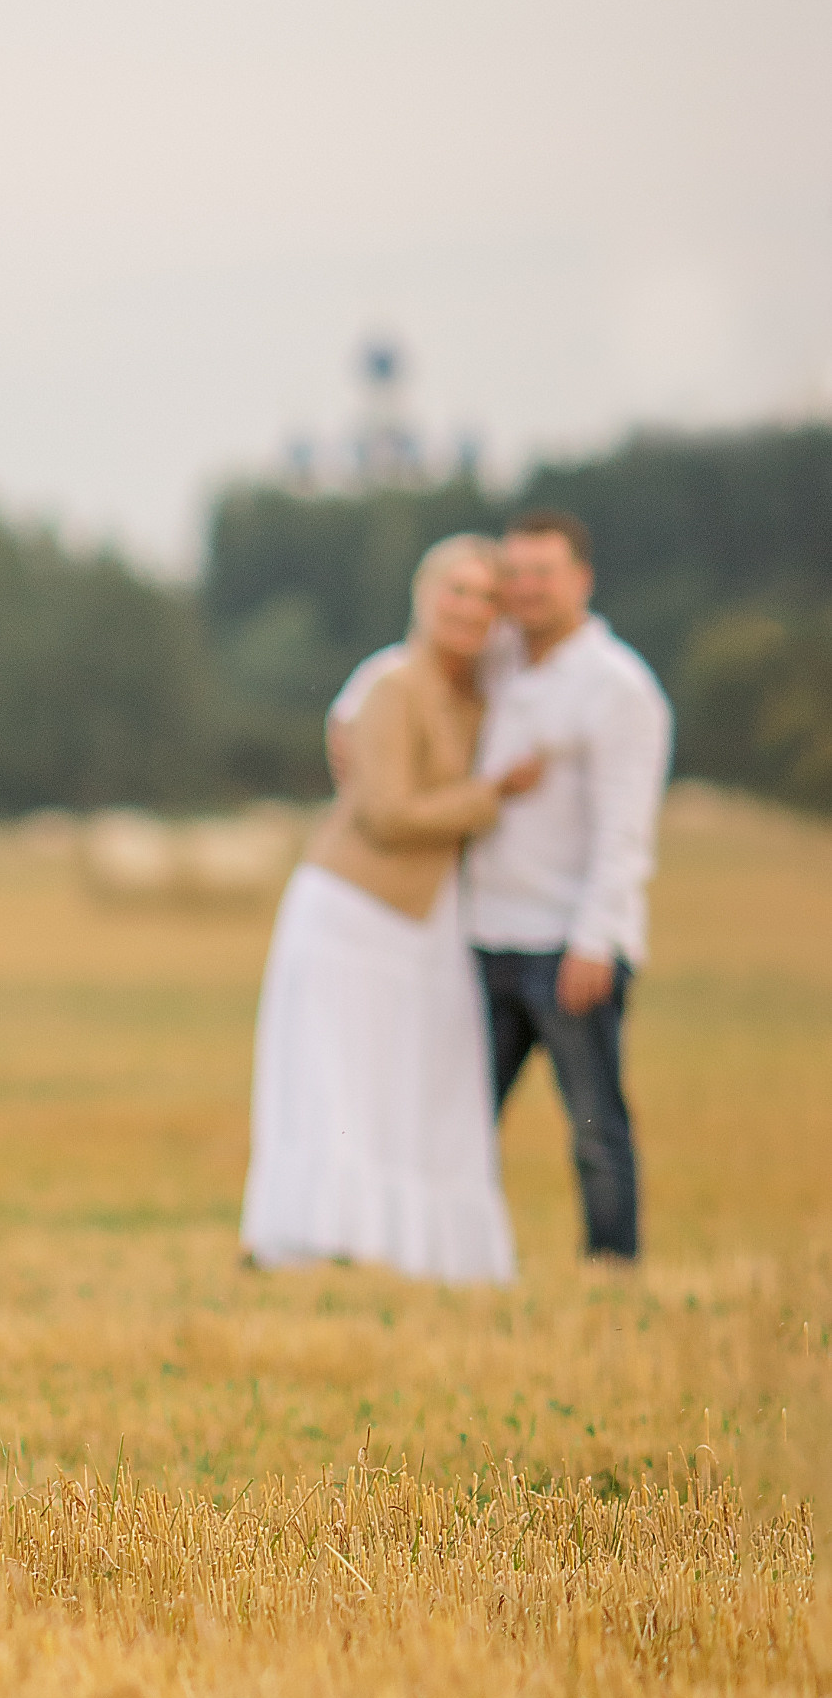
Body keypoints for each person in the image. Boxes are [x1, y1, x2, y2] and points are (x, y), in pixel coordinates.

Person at [242, 536, 540, 1281]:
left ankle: (413, 1247)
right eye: (457, 591)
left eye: (486, 597)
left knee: (416, 1077)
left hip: (425, 916)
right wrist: (492, 797)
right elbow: (384, 813)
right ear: (425, 596)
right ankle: (313, 1237)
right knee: (335, 1077)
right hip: (351, 908)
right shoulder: (394, 683)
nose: (470, 608)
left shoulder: (478, 696)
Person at [463, 512, 672, 1262]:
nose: (526, 590)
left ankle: (611, 1264)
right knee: (460, 1119)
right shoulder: (496, 663)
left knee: (591, 1123)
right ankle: (455, 1255)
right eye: (513, 574)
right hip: (486, 930)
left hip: (568, 942)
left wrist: (596, 939)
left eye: (542, 574)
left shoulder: (619, 688)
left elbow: (625, 831)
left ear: (581, 578)